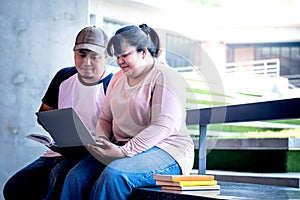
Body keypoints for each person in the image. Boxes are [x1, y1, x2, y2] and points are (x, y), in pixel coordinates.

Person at [60, 23, 195, 200]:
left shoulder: (165, 76)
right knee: (75, 177)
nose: (119, 61)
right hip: (123, 148)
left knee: (114, 175)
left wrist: (125, 152)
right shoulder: (118, 78)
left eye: (125, 55)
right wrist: (101, 141)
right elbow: (105, 118)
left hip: (166, 150)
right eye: (117, 56)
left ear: (144, 52)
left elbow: (163, 125)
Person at [3, 26, 113, 200]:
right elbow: (45, 111)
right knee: (14, 187)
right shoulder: (64, 76)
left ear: (107, 57)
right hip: (60, 150)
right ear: (74, 54)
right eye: (81, 55)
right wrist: (60, 127)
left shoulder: (113, 85)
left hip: (92, 155)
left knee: (58, 180)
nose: (86, 62)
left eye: (94, 56)